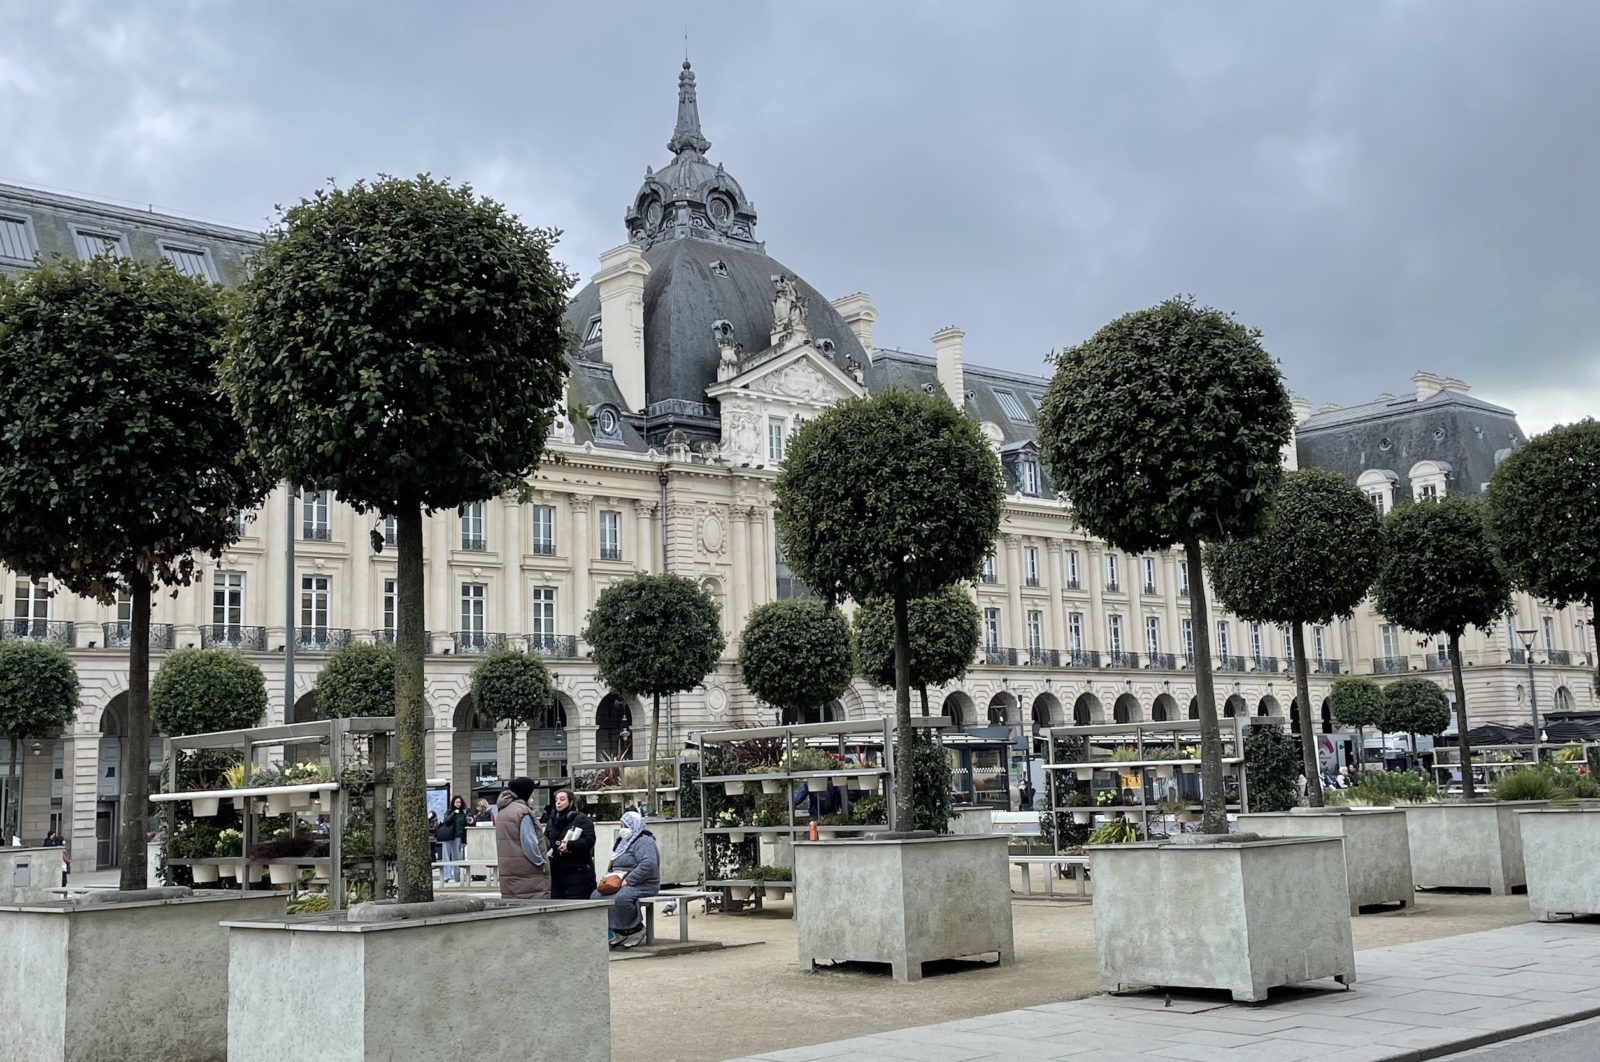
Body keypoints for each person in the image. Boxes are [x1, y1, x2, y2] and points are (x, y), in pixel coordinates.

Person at [593, 809, 659, 948]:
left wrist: (628, 880)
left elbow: (649, 864)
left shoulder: (644, 841)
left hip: (643, 883)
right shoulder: (622, 843)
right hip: (620, 882)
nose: (622, 829)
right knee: (596, 896)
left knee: (621, 898)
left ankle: (635, 929)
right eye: (621, 826)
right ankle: (616, 930)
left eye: (625, 826)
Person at [495, 776, 551, 899]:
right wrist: (541, 863)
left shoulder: (503, 811)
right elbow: (529, 844)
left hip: (510, 872)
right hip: (528, 876)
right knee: (535, 914)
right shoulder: (522, 812)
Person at [546, 789, 597, 899]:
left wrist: (570, 845)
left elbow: (590, 840)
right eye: (556, 800)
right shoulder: (552, 821)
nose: (558, 802)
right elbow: (546, 841)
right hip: (557, 874)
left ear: (571, 802)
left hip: (579, 873)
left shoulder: (582, 819)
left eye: (562, 799)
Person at [440, 795, 470, 884]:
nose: (458, 804)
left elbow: (464, 827)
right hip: (448, 836)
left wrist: (464, 840)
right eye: (456, 802)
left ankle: (457, 876)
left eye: (459, 802)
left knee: (457, 857)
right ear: (453, 803)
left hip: (458, 836)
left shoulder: (462, 814)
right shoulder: (449, 811)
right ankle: (447, 876)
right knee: (446, 856)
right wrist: (453, 813)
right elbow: (446, 821)